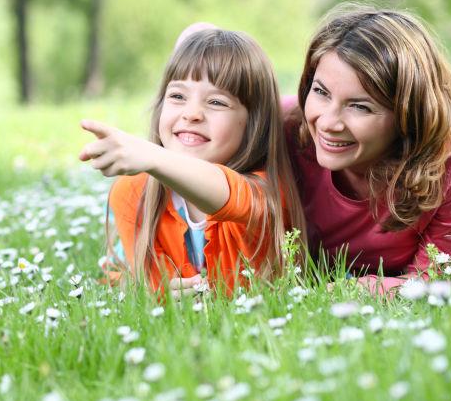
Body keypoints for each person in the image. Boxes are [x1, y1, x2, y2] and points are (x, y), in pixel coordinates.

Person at [284, 3, 451, 296]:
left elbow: (433, 280)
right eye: (320, 92)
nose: (328, 123)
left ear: (408, 114)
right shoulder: (285, 127)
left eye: (360, 106)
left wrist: (348, 290)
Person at [79, 28, 305, 296]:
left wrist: (153, 156)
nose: (192, 113)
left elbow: (226, 193)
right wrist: (160, 295)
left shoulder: (264, 194)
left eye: (217, 102)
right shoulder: (133, 193)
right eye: (177, 96)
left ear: (253, 123)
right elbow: (155, 289)